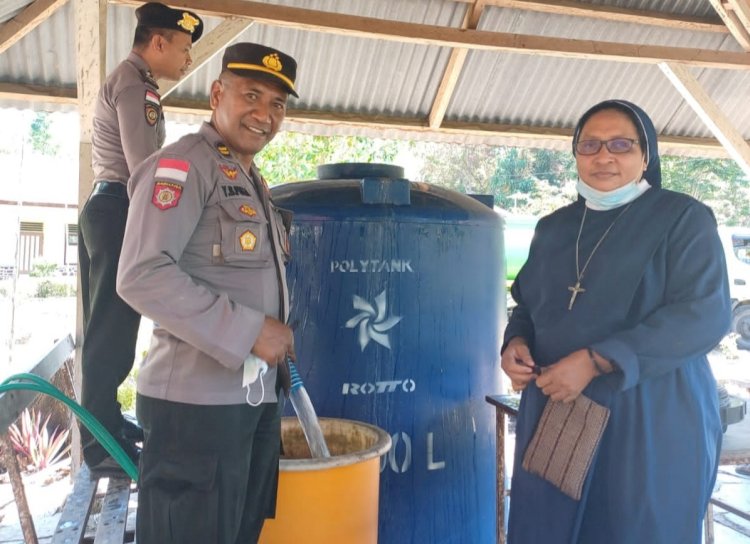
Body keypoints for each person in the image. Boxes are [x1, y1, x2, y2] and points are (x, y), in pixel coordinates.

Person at [500, 99, 731, 543]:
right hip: (557, 410)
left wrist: (597, 360)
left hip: (650, 415)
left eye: (621, 144)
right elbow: (527, 304)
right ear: (576, 155)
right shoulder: (553, 228)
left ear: (646, 155)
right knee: (550, 528)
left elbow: (703, 314)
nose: (604, 156)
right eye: (590, 145)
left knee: (636, 529)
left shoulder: (683, 219)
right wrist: (516, 342)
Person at [116, 42, 298, 543]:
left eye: (278, 104)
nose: (265, 114)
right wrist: (250, 329)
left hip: (252, 398)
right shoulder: (182, 166)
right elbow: (141, 274)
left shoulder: (247, 178)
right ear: (217, 93)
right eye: (252, 95)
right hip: (196, 409)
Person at [78, 2, 202, 476]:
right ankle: (99, 446)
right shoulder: (135, 85)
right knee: (110, 331)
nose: (188, 59)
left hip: (107, 207)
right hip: (116, 212)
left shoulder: (131, 81)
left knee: (111, 326)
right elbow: (144, 169)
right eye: (185, 49)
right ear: (159, 43)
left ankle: (106, 424)